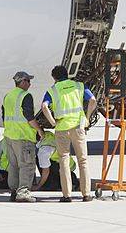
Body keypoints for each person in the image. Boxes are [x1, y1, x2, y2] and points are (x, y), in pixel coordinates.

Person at [41, 65, 97, 202]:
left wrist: (53, 122)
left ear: (54, 78)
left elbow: (44, 106)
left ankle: (67, 195)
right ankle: (86, 194)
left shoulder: (53, 90)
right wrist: (87, 117)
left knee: (64, 161)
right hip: (78, 126)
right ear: (67, 74)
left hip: (61, 128)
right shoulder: (79, 86)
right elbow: (93, 100)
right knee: (83, 160)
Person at [2, 71, 42, 202]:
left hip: (9, 136)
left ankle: (14, 191)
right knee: (27, 165)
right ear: (23, 82)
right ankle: (23, 192)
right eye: (28, 81)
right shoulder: (26, 96)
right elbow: (29, 117)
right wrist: (40, 131)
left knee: (13, 165)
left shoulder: (8, 96)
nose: (30, 84)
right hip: (23, 136)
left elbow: (4, 116)